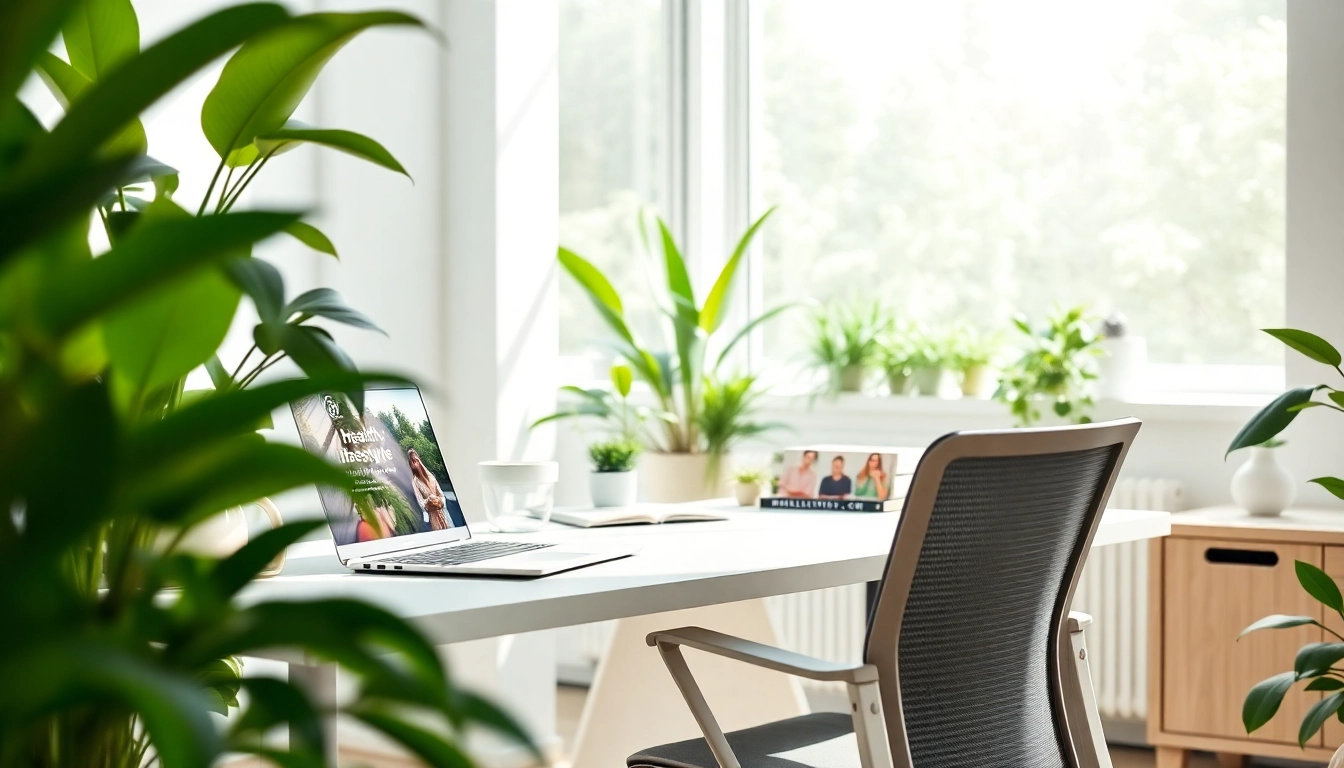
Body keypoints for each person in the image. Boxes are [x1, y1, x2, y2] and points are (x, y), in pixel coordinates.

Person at [409, 448, 450, 530]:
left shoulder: (430, 476)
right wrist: (430, 500)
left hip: (442, 510)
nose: (415, 463)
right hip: (432, 514)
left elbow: (440, 493)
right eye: (412, 462)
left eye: (416, 459)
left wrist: (439, 500)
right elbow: (420, 501)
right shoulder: (415, 481)